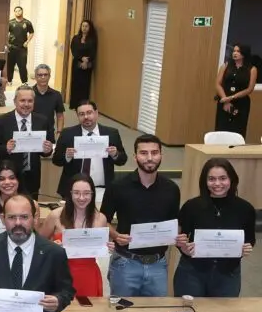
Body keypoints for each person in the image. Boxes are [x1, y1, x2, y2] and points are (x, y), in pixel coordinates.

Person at [101, 135, 183, 297]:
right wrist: (116, 235)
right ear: (135, 156)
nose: (150, 158)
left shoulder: (172, 189)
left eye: (154, 152)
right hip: (125, 263)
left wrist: (178, 236)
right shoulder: (118, 186)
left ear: (161, 155)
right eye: (144, 153)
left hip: (158, 264)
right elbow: (102, 220)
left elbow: (175, 223)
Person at [175, 158, 256, 297]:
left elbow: (250, 240)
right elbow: (181, 239)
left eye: (223, 178)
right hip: (192, 272)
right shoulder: (191, 206)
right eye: (211, 179)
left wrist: (245, 248)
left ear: (231, 179)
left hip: (228, 273)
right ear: (205, 182)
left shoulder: (245, 208)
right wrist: (183, 247)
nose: (217, 183)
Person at [38, 174, 111, 298]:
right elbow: (38, 245)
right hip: (60, 274)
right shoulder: (55, 216)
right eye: (76, 193)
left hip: (89, 275)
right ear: (70, 194)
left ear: (93, 194)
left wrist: (108, 247)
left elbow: (100, 248)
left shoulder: (100, 218)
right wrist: (51, 246)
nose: (81, 198)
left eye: (86, 193)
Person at [52, 100, 127, 199]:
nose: (86, 117)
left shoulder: (111, 133)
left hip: (103, 189)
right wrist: (67, 156)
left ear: (96, 113)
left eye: (89, 113)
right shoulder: (67, 134)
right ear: (77, 116)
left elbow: (123, 160)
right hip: (74, 190)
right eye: (81, 114)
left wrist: (115, 154)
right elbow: (56, 160)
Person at [0, 86, 54, 199]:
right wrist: (6, 148)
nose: (26, 104)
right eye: (22, 100)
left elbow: (46, 150)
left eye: (30, 101)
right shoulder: (1, 121)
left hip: (32, 177)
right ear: (15, 101)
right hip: (8, 178)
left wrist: (47, 150)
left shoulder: (42, 121)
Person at [214, 43, 256, 138]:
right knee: (222, 128)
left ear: (244, 53)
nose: (235, 53)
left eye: (238, 51)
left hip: (241, 103)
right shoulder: (226, 65)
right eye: (234, 51)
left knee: (237, 130)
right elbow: (217, 84)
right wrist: (225, 99)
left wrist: (231, 97)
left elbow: (249, 89)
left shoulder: (252, 69)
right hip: (224, 101)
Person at [68, 20, 97, 108]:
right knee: (75, 83)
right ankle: (74, 104)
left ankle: (83, 104)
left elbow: (93, 52)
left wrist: (86, 61)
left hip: (87, 65)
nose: (84, 28)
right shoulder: (76, 38)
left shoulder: (92, 40)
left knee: (84, 85)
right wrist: (81, 58)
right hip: (76, 63)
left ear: (89, 28)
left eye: (86, 26)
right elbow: (73, 51)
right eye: (83, 26)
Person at [31, 64, 65, 138]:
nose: (43, 77)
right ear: (35, 77)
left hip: (49, 133)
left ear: (49, 76)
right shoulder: (29, 93)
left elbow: (60, 116)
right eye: (40, 75)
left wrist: (59, 132)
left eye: (45, 75)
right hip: (30, 132)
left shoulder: (56, 95)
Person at [6, 6, 34, 84]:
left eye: (19, 11)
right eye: (16, 11)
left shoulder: (27, 22)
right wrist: (7, 44)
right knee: (10, 65)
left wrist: (27, 41)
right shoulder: (10, 22)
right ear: (14, 12)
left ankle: (24, 82)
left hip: (22, 48)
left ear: (22, 11)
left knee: (22, 66)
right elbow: (5, 33)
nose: (18, 12)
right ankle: (9, 80)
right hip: (12, 47)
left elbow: (31, 32)